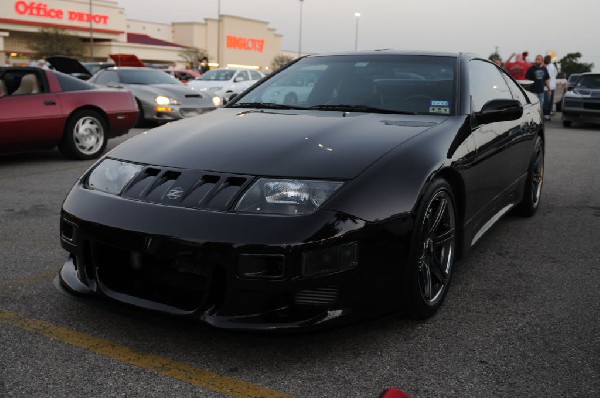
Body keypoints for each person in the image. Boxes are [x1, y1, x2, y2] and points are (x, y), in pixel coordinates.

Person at [543, 54, 558, 120]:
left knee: (546, 102)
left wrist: (548, 88)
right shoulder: (553, 67)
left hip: (547, 87)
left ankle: (546, 115)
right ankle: (548, 114)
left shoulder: (548, 68)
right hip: (552, 86)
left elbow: (546, 78)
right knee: (550, 101)